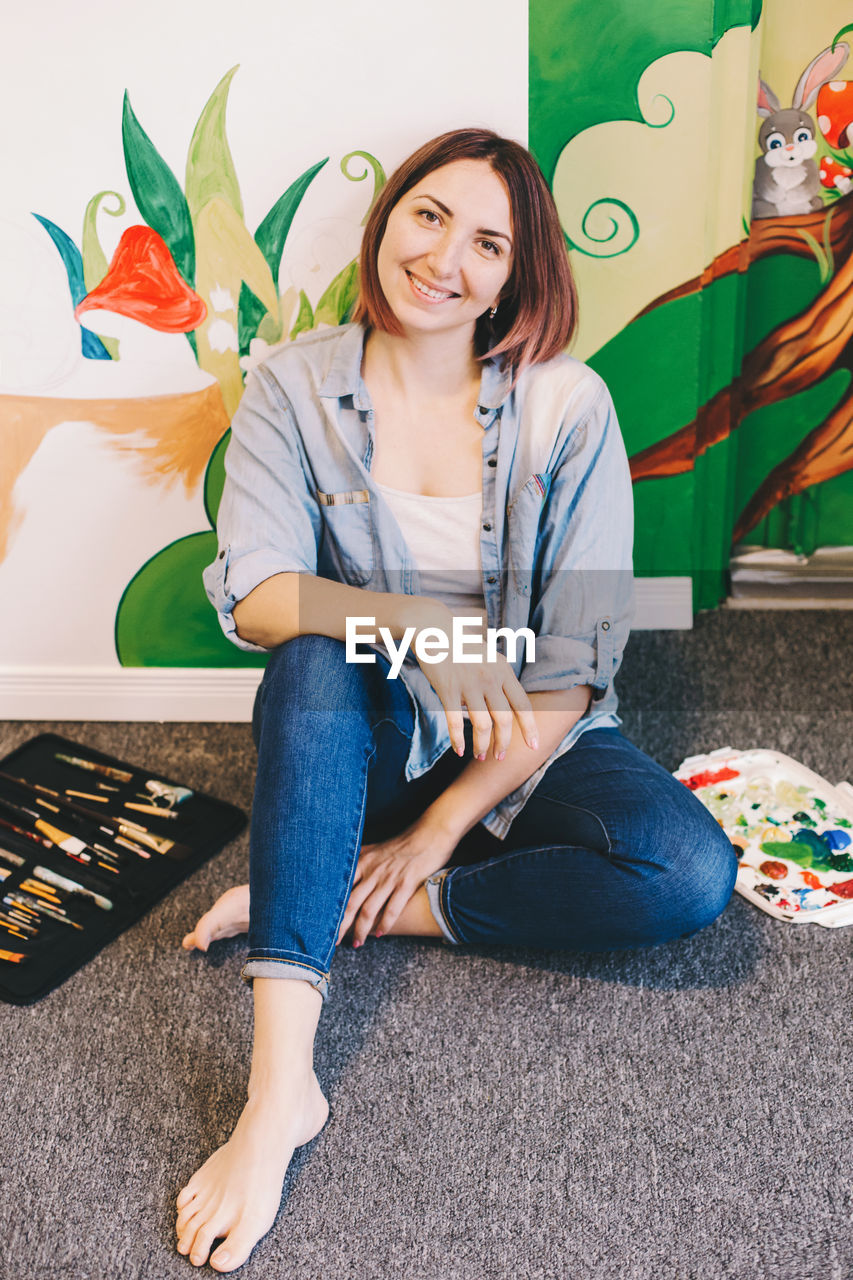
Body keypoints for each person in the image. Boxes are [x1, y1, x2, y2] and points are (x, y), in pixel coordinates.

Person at [176, 128, 737, 1272]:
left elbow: (572, 661)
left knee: (684, 870)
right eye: (428, 216)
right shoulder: (291, 385)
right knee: (313, 654)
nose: (445, 258)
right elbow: (255, 593)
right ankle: (280, 1093)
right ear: (387, 218)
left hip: (525, 738)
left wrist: (432, 839)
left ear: (516, 274)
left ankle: (344, 896)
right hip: (363, 724)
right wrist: (417, 623)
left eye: (488, 242)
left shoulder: (568, 407)